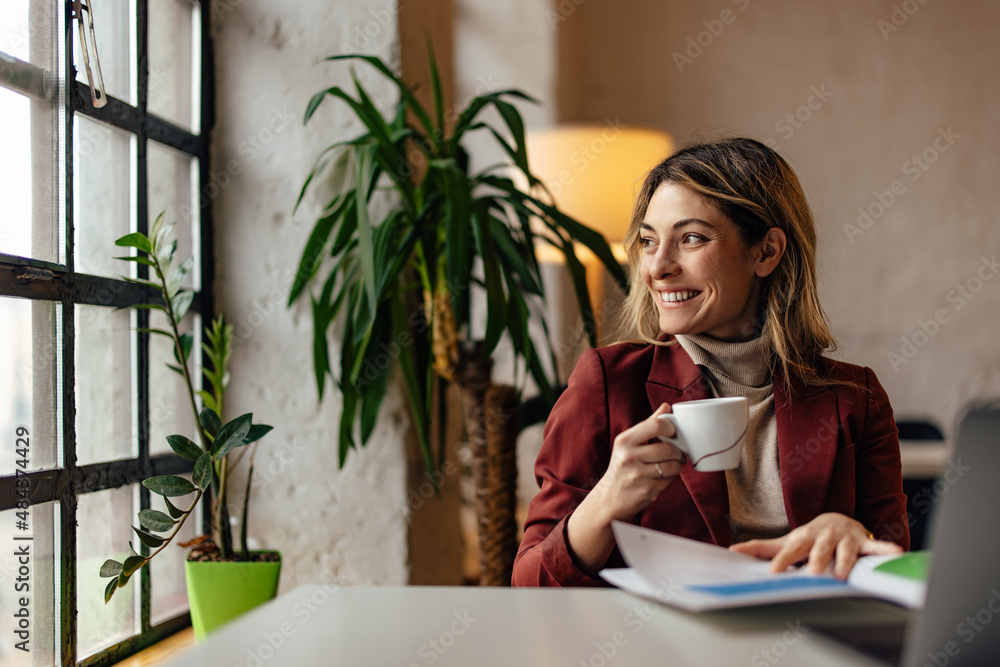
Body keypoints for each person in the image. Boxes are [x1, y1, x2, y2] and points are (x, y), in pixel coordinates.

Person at [512, 137, 909, 588]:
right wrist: (607, 499)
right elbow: (530, 585)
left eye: (692, 238)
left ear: (766, 252)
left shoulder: (855, 399)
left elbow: (897, 570)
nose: (657, 267)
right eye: (648, 241)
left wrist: (854, 537)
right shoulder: (607, 383)